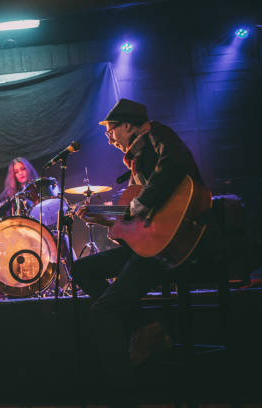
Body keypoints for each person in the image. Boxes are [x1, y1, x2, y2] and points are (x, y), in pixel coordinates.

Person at [71, 98, 209, 396]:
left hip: (168, 248)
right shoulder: (135, 162)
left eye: (112, 130)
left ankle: (124, 395)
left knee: (103, 311)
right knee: (80, 268)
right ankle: (146, 326)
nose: (109, 137)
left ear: (130, 125)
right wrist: (110, 223)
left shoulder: (158, 134)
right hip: (151, 244)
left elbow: (174, 167)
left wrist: (137, 207)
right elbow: (140, 220)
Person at [0, 157, 39, 222]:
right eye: (16, 172)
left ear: (28, 169)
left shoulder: (37, 186)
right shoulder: (9, 192)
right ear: (14, 175)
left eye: (23, 169)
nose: (20, 173)